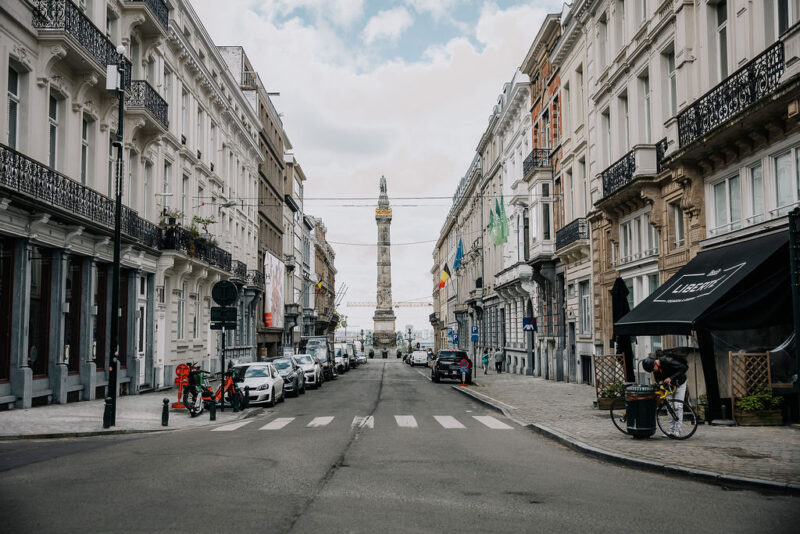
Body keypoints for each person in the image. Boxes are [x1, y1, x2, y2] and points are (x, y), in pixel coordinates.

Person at [642, 353, 689, 436]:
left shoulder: (667, 360)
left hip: (679, 384)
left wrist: (671, 378)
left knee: (678, 406)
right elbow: (657, 377)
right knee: (669, 406)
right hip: (668, 386)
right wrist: (659, 381)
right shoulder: (655, 368)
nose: (653, 371)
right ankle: (671, 430)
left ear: (655, 363)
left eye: (653, 369)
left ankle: (677, 430)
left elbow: (683, 368)